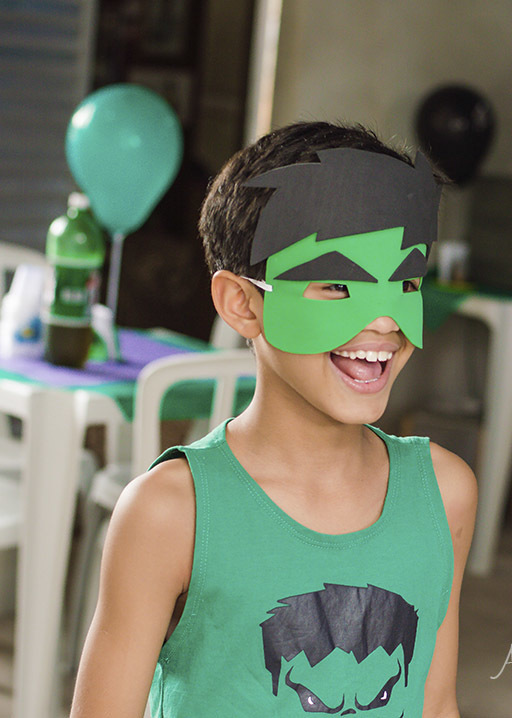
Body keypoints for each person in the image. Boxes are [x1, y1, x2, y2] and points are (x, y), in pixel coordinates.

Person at [70, 121, 478, 717]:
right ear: (243, 304)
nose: (385, 322)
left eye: (406, 282)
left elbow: (435, 704)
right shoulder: (170, 511)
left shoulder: (445, 493)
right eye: (338, 285)